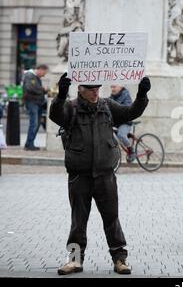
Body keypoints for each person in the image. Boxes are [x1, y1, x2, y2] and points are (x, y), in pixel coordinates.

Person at [49, 73, 151, 275]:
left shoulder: (107, 106)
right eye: (91, 90)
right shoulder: (71, 107)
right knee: (78, 220)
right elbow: (55, 115)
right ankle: (75, 260)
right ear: (81, 90)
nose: (96, 92)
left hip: (105, 176)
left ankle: (119, 259)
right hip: (80, 176)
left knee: (112, 218)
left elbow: (131, 112)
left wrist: (142, 94)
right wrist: (60, 95)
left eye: (98, 89)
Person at [22, 64, 49, 150]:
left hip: (37, 103)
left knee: (36, 124)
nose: (44, 75)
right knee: (34, 123)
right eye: (44, 73)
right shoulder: (30, 76)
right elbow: (30, 88)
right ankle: (29, 144)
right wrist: (42, 90)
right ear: (40, 69)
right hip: (32, 102)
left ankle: (30, 143)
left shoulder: (36, 78)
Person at [110, 85, 136, 162]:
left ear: (120, 87)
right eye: (111, 87)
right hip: (116, 123)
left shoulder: (126, 96)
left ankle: (131, 151)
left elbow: (127, 107)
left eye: (114, 87)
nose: (112, 89)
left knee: (121, 135)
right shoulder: (111, 97)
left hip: (125, 122)